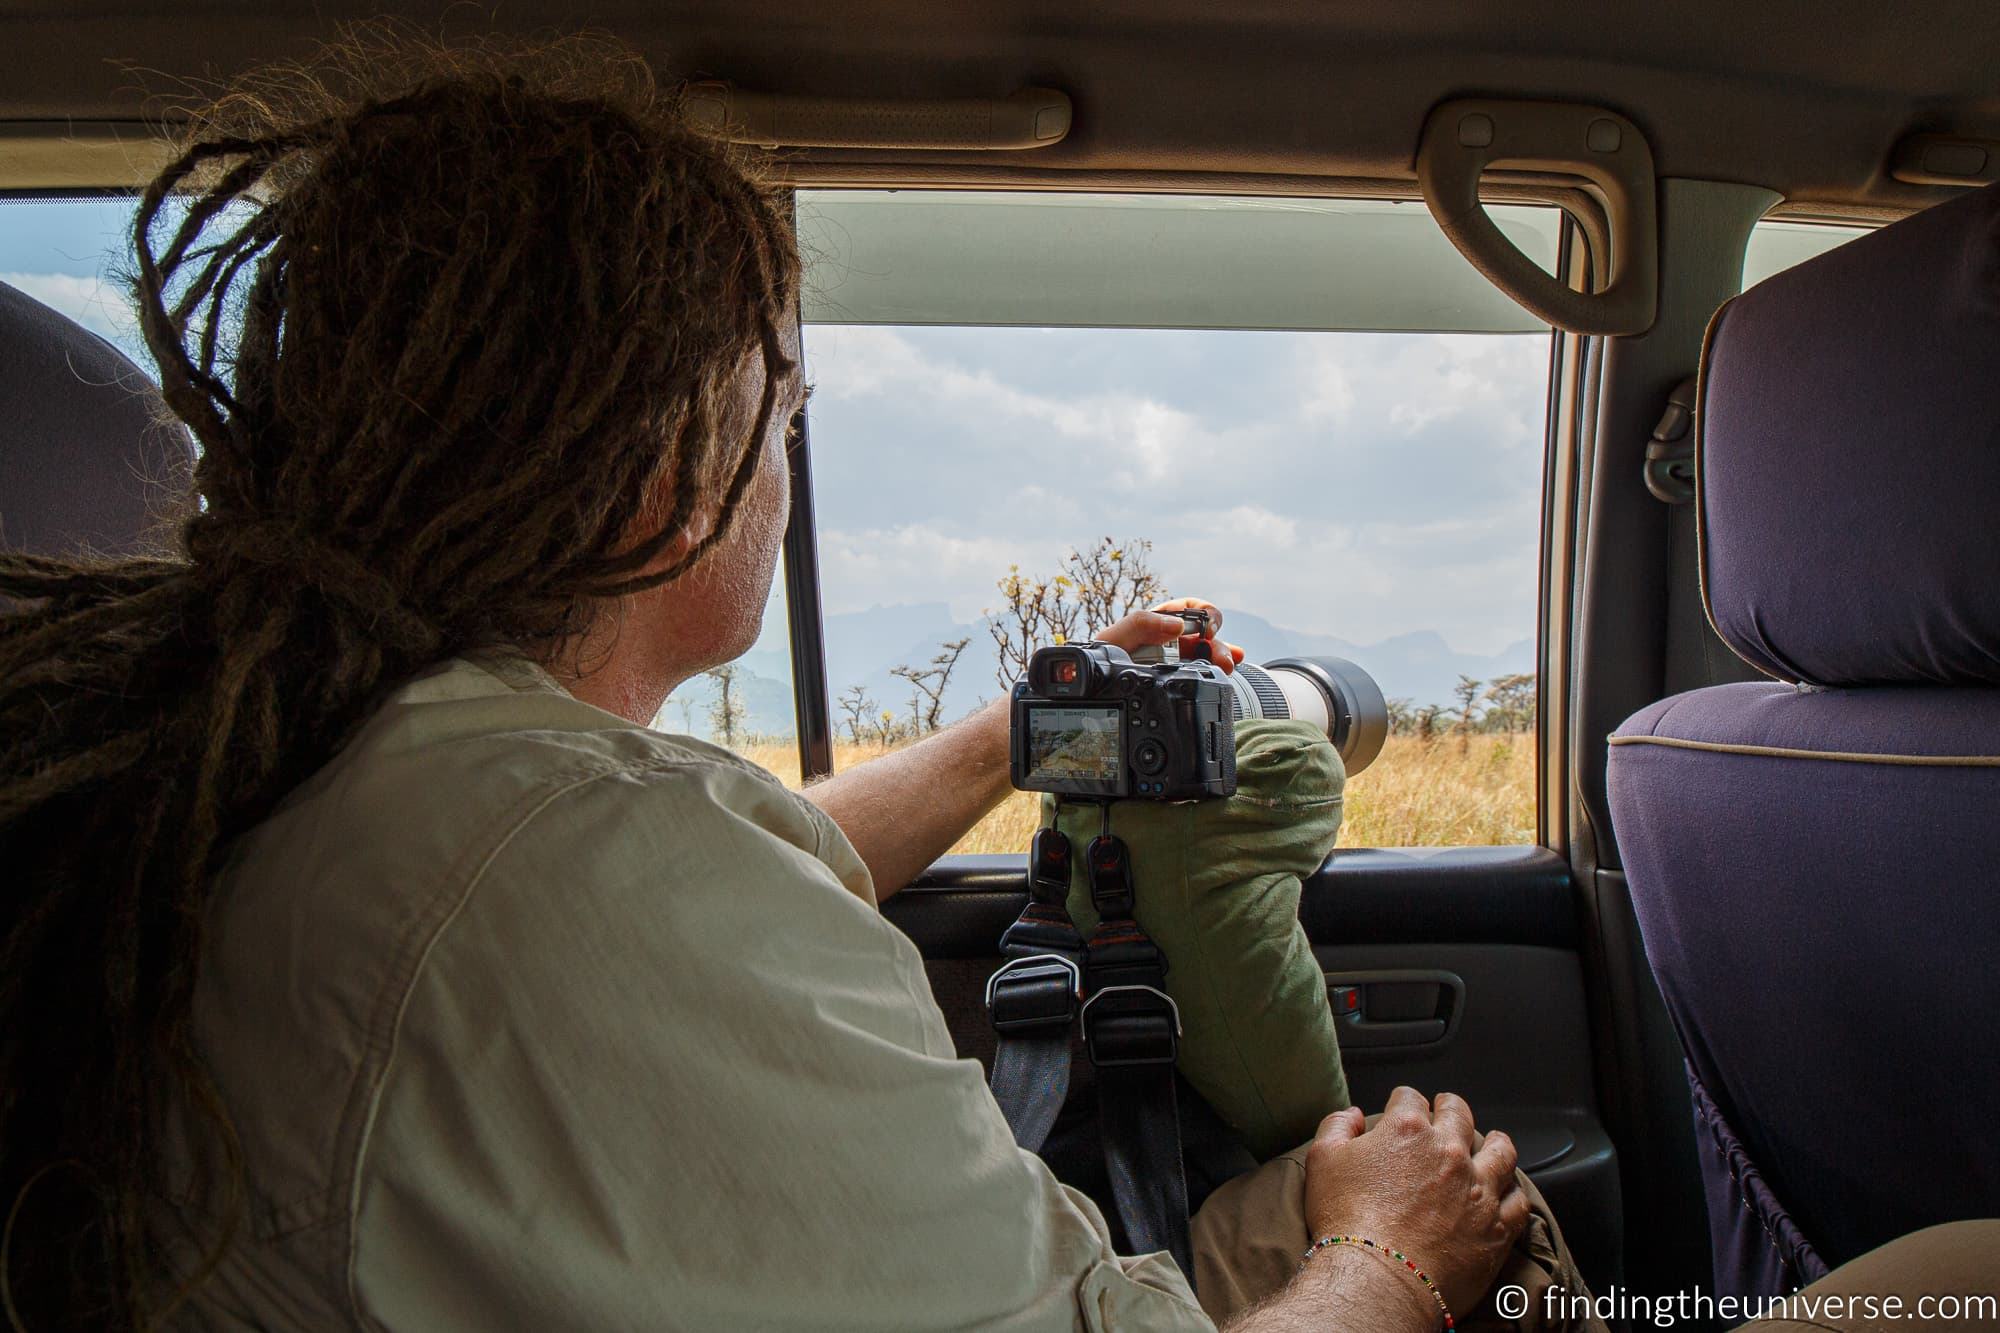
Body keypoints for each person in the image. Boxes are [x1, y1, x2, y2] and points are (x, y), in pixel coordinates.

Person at [0, 32, 1991, 1333]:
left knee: (1320, 1170)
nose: (788, 447)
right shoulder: (567, 866)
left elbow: (767, 845)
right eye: (786, 394)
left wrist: (1031, 724)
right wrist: (1393, 1253)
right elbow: (676, 874)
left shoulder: (379, 778)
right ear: (674, 467)